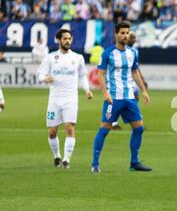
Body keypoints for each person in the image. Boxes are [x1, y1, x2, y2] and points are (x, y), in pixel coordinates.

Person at [91, 20, 151, 173]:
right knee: (105, 128)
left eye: (127, 33)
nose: (125, 35)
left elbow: (135, 72)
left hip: (129, 97)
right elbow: (101, 74)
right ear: (116, 34)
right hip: (113, 98)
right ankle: (95, 163)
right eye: (122, 33)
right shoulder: (108, 53)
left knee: (139, 128)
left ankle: (134, 163)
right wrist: (105, 93)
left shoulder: (132, 53)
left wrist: (143, 90)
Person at [37, 29, 94, 169]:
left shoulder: (78, 58)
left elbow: (82, 76)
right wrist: (45, 78)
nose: (68, 41)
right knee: (52, 132)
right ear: (58, 40)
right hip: (54, 99)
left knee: (70, 128)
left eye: (69, 38)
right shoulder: (50, 58)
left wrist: (87, 90)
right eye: (65, 39)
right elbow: (40, 74)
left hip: (71, 99)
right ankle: (56, 155)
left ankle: (67, 159)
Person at [111, 31, 148, 130]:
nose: (134, 39)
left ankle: (134, 119)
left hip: (131, 80)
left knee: (135, 98)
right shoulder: (119, 50)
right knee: (120, 100)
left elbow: (136, 68)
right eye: (132, 37)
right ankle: (113, 122)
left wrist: (142, 80)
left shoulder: (134, 51)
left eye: (134, 37)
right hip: (121, 81)